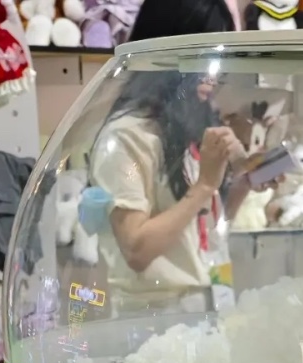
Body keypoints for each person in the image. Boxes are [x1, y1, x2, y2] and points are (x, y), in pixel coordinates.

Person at [88, 0, 243, 311]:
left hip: (209, 302)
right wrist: (204, 186)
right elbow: (136, 249)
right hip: (158, 316)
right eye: (203, 57)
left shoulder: (183, 126)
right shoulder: (128, 136)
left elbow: (205, 228)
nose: (212, 75)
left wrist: (245, 181)